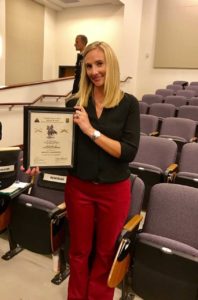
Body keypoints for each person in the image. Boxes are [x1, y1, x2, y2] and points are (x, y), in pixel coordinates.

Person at [24, 41, 140, 300]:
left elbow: (128, 152)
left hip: (114, 191)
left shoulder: (129, 104)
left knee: (104, 253)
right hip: (79, 189)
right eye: (88, 66)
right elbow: (63, 148)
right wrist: (40, 158)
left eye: (99, 64)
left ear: (111, 65)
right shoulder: (75, 103)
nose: (94, 71)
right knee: (78, 251)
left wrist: (91, 130)